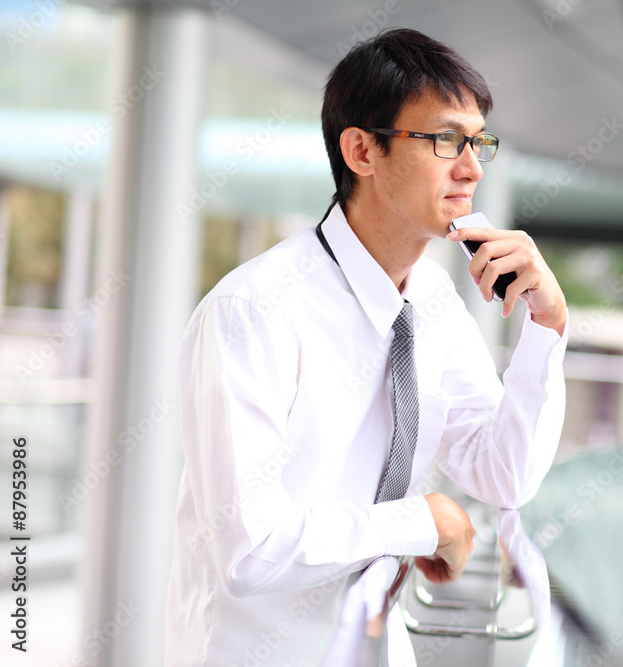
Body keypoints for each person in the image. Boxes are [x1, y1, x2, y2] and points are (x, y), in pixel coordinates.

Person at [164, 27, 568, 666]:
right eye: (443, 140)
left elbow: (503, 474)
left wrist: (546, 329)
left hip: (374, 647)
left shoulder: (432, 304)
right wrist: (420, 522)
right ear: (361, 150)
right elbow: (249, 549)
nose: (469, 167)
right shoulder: (255, 310)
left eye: (477, 142)